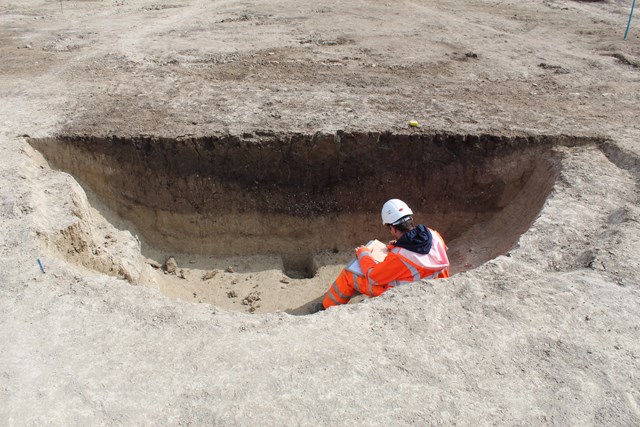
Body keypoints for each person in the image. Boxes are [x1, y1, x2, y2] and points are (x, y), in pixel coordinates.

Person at [312, 199, 450, 312]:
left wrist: (364, 254)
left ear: (392, 228)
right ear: (411, 220)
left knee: (349, 274)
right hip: (437, 285)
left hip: (409, 294)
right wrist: (397, 246)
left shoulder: (400, 256)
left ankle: (325, 309)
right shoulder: (434, 235)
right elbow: (422, 255)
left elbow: (374, 277)